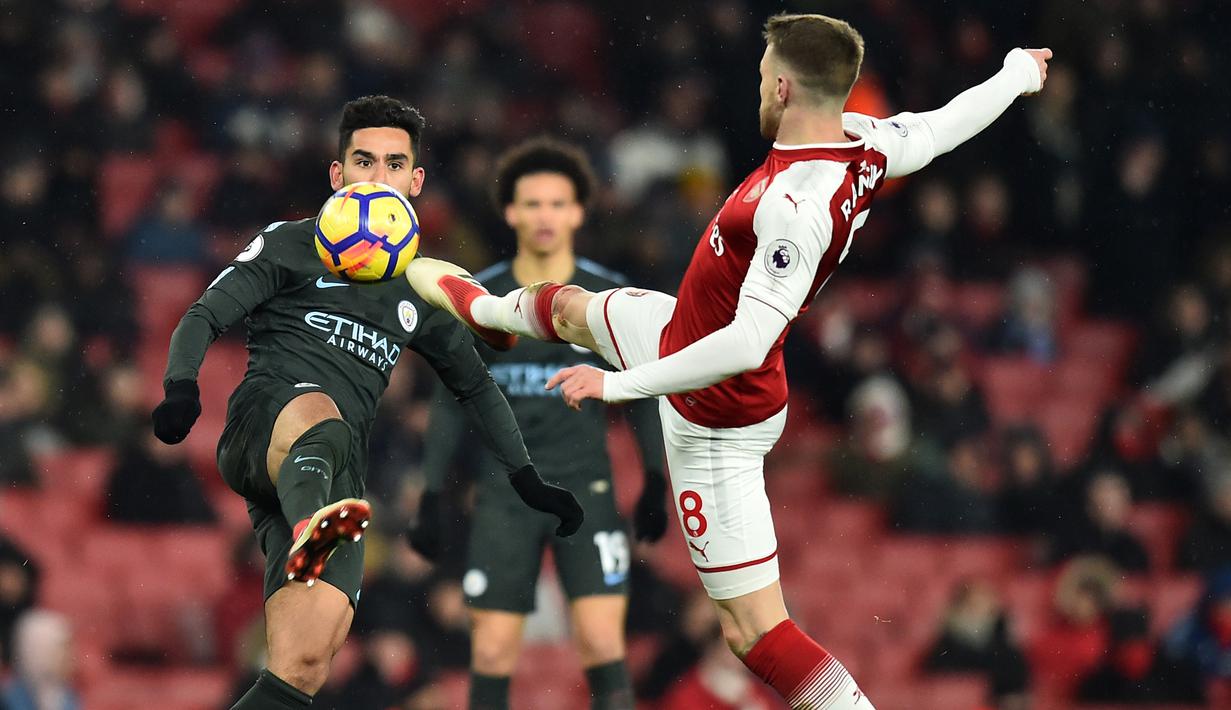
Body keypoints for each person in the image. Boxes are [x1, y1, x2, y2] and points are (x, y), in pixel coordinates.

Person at [408, 15, 1051, 709]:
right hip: (676, 330)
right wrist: (1016, 73)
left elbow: (744, 343)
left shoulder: (796, 206)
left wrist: (620, 387)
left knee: (752, 631)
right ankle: (487, 313)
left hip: (713, 409)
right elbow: (940, 124)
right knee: (569, 309)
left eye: (758, 77)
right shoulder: (864, 142)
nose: (753, 90)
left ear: (781, 85)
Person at [151, 95, 582, 709]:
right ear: (337, 175)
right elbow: (204, 313)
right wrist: (180, 386)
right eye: (363, 162)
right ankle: (310, 527)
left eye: (393, 165)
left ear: (415, 181)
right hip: (266, 424)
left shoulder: (420, 285)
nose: (378, 179)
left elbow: (476, 388)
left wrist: (527, 477)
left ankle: (313, 527)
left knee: (301, 667)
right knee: (319, 420)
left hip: (340, 480)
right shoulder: (290, 243)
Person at [408, 138, 668, 710]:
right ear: (511, 212)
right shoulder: (477, 294)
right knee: (494, 651)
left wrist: (655, 476)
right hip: (504, 496)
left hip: (588, 487)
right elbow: (452, 398)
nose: (544, 216)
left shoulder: (609, 292)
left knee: (603, 641)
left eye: (557, 203)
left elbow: (645, 391)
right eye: (532, 203)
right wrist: (429, 488)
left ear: (577, 212)